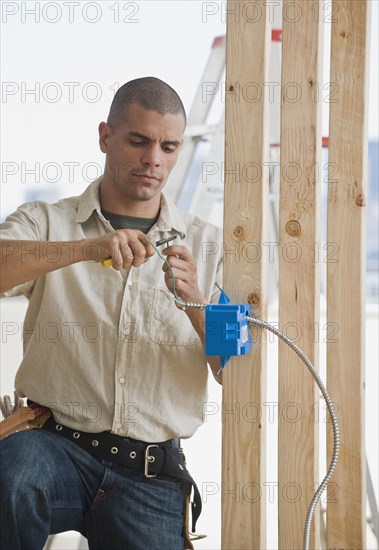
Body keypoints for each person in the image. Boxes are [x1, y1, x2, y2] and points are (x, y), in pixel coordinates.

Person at [0, 77, 222, 550]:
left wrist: (197, 305)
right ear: (105, 137)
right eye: (139, 141)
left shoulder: (211, 244)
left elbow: (233, 368)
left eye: (168, 146)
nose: (153, 160)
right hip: (49, 445)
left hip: (150, 472)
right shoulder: (46, 221)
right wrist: (84, 249)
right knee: (11, 476)